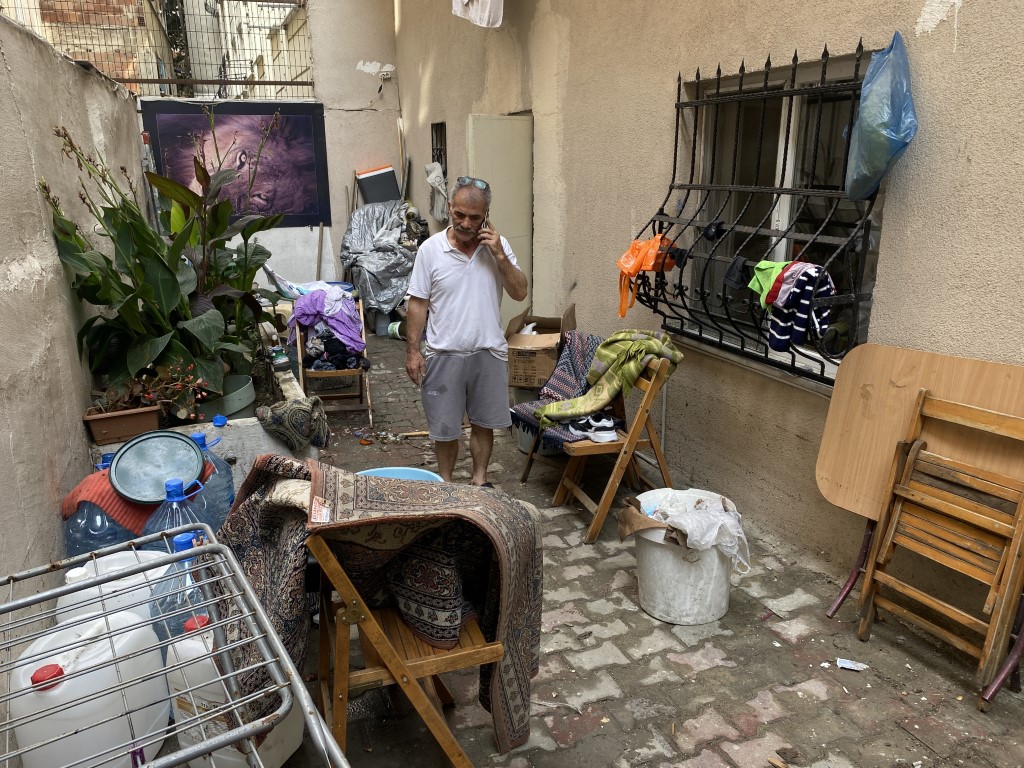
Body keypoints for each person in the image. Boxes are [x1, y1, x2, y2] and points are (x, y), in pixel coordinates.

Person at [405, 176, 528, 486]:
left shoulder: (497, 248)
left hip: (488, 351)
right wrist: (413, 351)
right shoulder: (430, 250)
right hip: (444, 353)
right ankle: (446, 484)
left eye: (474, 217)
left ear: (485, 215)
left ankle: (479, 480)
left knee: (485, 424)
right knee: (445, 429)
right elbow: (418, 304)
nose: (465, 222)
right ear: (450, 208)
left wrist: (500, 255)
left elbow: (519, 292)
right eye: (459, 214)